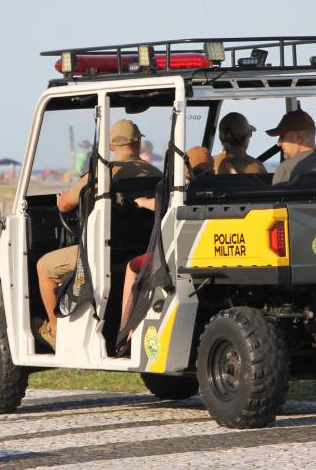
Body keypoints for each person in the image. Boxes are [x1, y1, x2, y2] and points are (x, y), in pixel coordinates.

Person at [34, 119, 162, 351]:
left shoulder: (103, 174)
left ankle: (54, 331)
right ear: (138, 143)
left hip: (103, 254)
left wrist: (61, 199)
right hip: (143, 250)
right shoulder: (156, 174)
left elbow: (65, 204)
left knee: (44, 266)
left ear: (111, 146)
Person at [116, 146, 214, 355]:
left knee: (133, 267)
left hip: (180, 254)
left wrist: (141, 202)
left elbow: (161, 205)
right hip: (206, 251)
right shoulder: (217, 187)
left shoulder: (186, 192)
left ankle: (126, 330)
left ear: (186, 170)